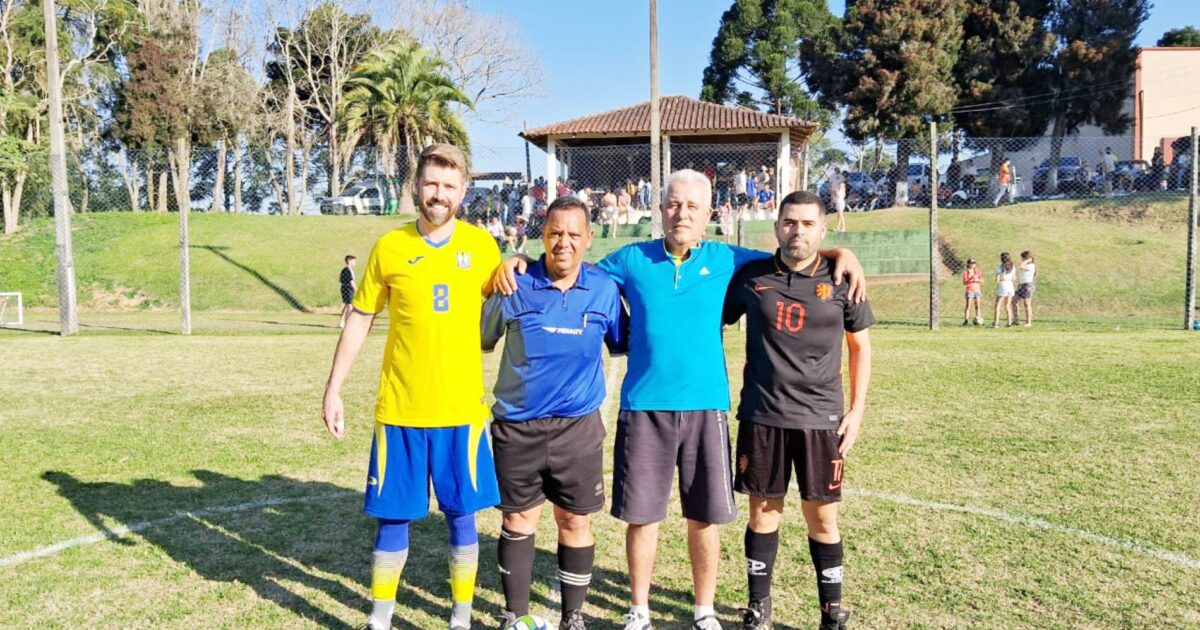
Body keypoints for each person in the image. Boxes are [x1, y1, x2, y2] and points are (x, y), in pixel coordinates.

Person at [493, 169, 866, 630]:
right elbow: (572, 265)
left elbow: (792, 254)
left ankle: (704, 611)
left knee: (703, 519)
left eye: (692, 206)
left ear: (709, 212)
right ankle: (639, 611)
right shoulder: (631, 260)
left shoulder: (730, 260)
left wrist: (837, 251)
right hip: (643, 407)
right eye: (673, 204)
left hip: (706, 407)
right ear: (660, 208)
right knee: (643, 519)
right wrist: (519, 258)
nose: (681, 214)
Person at [321, 143, 501, 630]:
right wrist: (333, 388)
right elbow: (359, 319)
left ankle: (460, 618)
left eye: (449, 186)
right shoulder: (390, 247)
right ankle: (380, 620)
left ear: (463, 191)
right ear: (416, 187)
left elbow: (507, 303)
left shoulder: (483, 248)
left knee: (462, 517)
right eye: (431, 184)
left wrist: (520, 262)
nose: (438, 194)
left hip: (461, 412)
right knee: (392, 518)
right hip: (399, 411)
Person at [723, 191, 874, 630]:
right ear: (776, 227)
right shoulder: (751, 278)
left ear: (823, 230)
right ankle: (759, 608)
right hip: (763, 414)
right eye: (790, 222)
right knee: (762, 512)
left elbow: (860, 347)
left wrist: (858, 409)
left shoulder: (844, 278)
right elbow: (713, 316)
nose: (798, 232)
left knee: (822, 515)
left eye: (808, 224)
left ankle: (832, 612)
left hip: (821, 419)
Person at [483, 196, 628, 630]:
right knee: (518, 518)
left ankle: (574, 616)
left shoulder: (604, 288)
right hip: (517, 428)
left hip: (577, 429)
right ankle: (515, 616)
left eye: (572, 234)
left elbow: (621, 342)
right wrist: (504, 268)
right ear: (542, 235)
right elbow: (480, 338)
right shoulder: (515, 284)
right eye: (555, 232)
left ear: (588, 239)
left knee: (573, 519)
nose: (563, 242)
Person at [992, 252, 1016, 328]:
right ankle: (1009, 323)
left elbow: (997, 279)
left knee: (998, 305)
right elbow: (1014, 278)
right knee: (1008, 305)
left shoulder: (1000, 266)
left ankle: (996, 323)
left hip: (1003, 285)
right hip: (1010, 285)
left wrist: (1002, 278)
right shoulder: (1012, 266)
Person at [1014, 250, 1036, 327]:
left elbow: (1021, 267)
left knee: (1027, 304)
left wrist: (1027, 261)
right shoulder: (1026, 264)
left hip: (1028, 285)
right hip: (1021, 285)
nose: (1021, 259)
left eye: (1022, 258)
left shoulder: (1031, 266)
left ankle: (1028, 322)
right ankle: (1016, 320)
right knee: (1014, 301)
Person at [961, 258, 984, 326]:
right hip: (970, 290)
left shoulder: (977, 272)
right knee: (968, 305)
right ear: (968, 264)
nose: (973, 264)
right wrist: (971, 279)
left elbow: (982, 280)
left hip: (977, 290)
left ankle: (978, 318)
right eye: (972, 262)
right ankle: (966, 320)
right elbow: (964, 282)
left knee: (977, 305)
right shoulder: (966, 272)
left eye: (974, 262)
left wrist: (977, 279)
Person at [338, 255, 357, 329]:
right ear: (349, 261)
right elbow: (352, 282)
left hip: (346, 288)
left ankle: (341, 322)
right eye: (354, 261)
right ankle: (347, 323)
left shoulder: (349, 270)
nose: (355, 262)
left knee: (346, 305)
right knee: (350, 305)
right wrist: (357, 290)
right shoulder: (347, 270)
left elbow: (340, 280)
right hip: (347, 288)